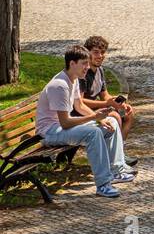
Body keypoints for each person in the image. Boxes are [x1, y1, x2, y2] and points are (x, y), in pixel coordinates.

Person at [35, 44, 135, 199]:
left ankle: (117, 170)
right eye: (84, 64)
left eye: (88, 63)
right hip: (50, 131)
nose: (87, 67)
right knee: (93, 133)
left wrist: (101, 120)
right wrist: (94, 118)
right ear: (72, 63)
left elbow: (80, 105)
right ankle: (103, 185)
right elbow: (65, 123)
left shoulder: (73, 79)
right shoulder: (60, 86)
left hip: (61, 126)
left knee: (111, 123)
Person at [82, 35, 137, 160]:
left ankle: (119, 152)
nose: (100, 56)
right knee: (115, 116)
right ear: (87, 53)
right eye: (96, 52)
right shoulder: (83, 72)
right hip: (82, 113)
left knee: (128, 113)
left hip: (95, 109)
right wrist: (107, 104)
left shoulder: (100, 70)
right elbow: (79, 102)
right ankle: (113, 158)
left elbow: (104, 95)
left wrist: (118, 102)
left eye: (102, 52)